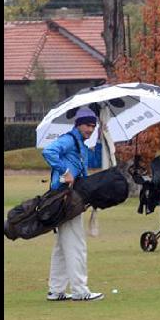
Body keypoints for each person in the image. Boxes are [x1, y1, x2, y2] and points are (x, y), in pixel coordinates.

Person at [41, 106, 105, 302]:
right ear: (78, 124)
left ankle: (56, 290)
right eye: (87, 125)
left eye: (93, 126)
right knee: (76, 244)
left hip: (68, 198)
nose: (90, 129)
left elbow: (90, 163)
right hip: (65, 198)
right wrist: (64, 171)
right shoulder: (69, 140)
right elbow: (49, 151)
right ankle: (80, 290)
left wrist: (104, 138)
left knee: (62, 246)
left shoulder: (81, 145)